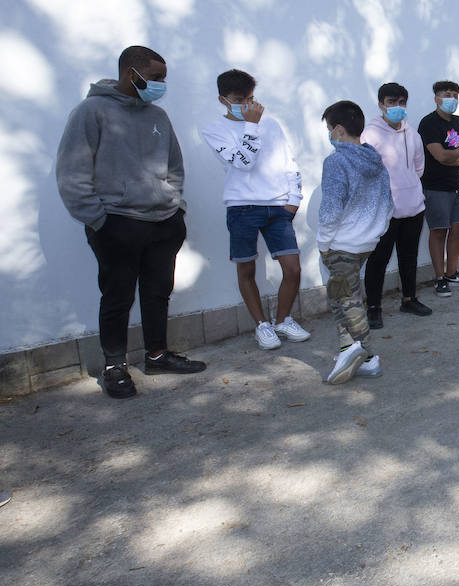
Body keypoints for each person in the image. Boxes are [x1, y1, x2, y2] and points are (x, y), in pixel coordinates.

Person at [56, 45, 207, 399]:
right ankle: (114, 367)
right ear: (131, 73)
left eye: (163, 78)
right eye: (155, 77)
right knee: (117, 296)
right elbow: (72, 172)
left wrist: (176, 207)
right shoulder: (91, 111)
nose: (161, 84)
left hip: (163, 222)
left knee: (158, 292)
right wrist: (99, 220)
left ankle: (157, 355)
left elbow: (175, 167)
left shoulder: (158, 116)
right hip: (117, 223)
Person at [200, 69, 311, 350]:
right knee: (246, 268)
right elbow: (243, 162)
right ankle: (262, 325)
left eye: (251, 98)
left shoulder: (271, 124)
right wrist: (250, 126)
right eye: (240, 100)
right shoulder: (214, 130)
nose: (248, 105)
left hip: (278, 206)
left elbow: (289, 162)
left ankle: (283, 320)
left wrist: (294, 199)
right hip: (242, 207)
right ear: (223, 100)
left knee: (293, 268)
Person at [317, 101, 394, 384]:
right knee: (340, 296)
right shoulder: (375, 161)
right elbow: (388, 204)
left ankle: (367, 355)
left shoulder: (336, 161)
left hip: (341, 244)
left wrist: (323, 243)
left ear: (338, 130)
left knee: (346, 300)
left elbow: (330, 209)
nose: (329, 135)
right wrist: (374, 233)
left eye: (329, 129)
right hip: (365, 244)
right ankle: (348, 351)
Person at [362, 82, 431, 327]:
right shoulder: (369, 135)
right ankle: (373, 307)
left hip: (413, 207)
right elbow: (366, 173)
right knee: (378, 260)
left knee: (409, 256)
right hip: (385, 211)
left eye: (402, 102)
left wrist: (407, 187)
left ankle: (409, 299)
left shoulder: (413, 135)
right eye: (391, 102)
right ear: (381, 105)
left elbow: (419, 168)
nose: (397, 107)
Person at [416, 80, 459, 296]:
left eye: (455, 95)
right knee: (439, 231)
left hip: (458, 185)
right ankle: (439, 278)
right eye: (447, 94)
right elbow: (439, 156)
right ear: (436, 98)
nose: (452, 99)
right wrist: (458, 152)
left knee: (458, 229)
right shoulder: (428, 123)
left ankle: (452, 273)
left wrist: (453, 155)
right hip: (435, 187)